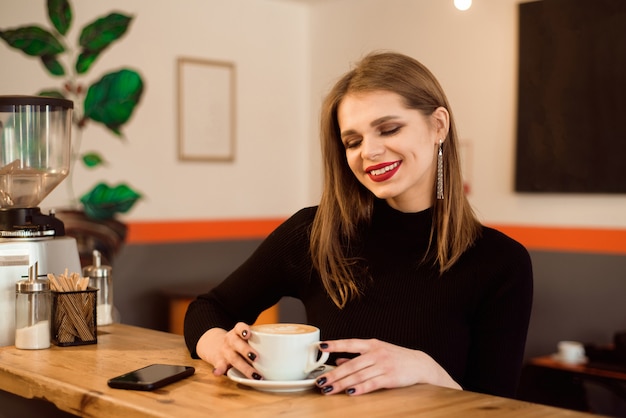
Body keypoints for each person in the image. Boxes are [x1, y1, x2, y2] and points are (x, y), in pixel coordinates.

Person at [184, 51, 533, 398]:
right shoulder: (313, 232)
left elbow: (496, 405)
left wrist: (426, 369)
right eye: (353, 141)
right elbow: (207, 309)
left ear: (438, 125)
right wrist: (220, 346)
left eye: (389, 129)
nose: (370, 151)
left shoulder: (501, 262)